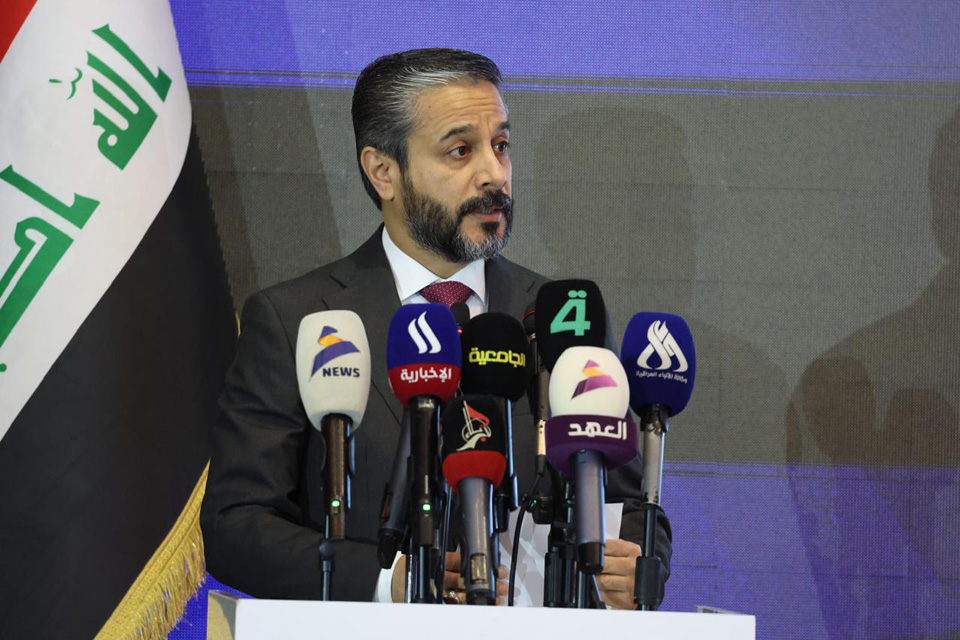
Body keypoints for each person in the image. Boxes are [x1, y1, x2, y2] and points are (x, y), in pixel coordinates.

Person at [200, 48, 671, 609]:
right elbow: (236, 525)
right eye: (460, 151)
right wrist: (387, 582)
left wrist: (637, 566)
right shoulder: (297, 319)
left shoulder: (562, 316)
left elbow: (629, 502)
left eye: (501, 145)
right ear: (383, 171)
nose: (494, 174)